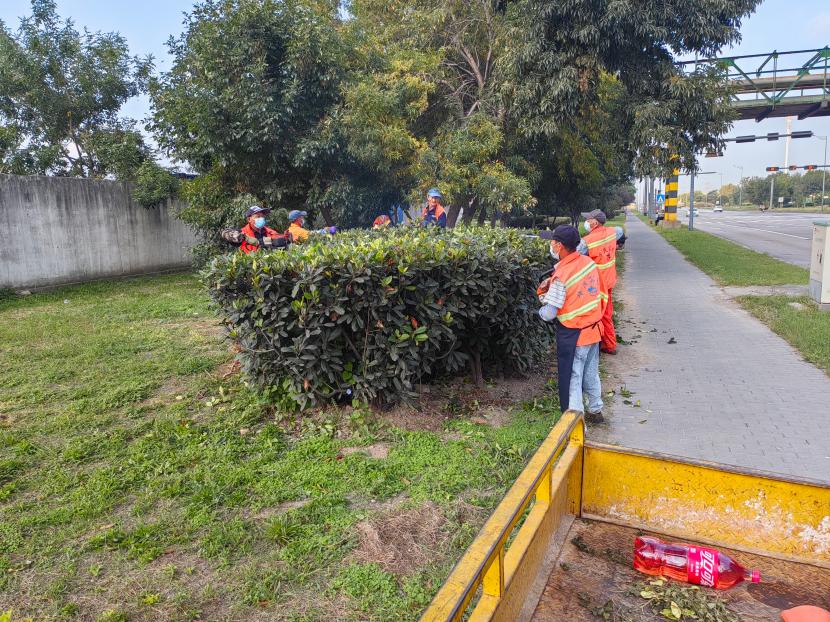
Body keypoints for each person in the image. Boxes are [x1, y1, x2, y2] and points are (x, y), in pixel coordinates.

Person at [537, 225, 607, 422]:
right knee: (591, 374)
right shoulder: (589, 264)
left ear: (559, 246)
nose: (550, 245)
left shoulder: (562, 275)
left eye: (552, 242)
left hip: (575, 335)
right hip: (594, 329)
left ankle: (575, 425)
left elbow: (550, 314)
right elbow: (599, 293)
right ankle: (595, 410)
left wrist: (539, 309)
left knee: (573, 379)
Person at [579, 209, 624, 355]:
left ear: (595, 222)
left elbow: (574, 254)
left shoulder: (586, 241)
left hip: (596, 285)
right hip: (609, 280)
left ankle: (606, 345)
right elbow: (620, 231)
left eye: (588, 219)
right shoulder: (613, 232)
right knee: (606, 312)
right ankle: (606, 343)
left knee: (598, 314)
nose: (586, 222)